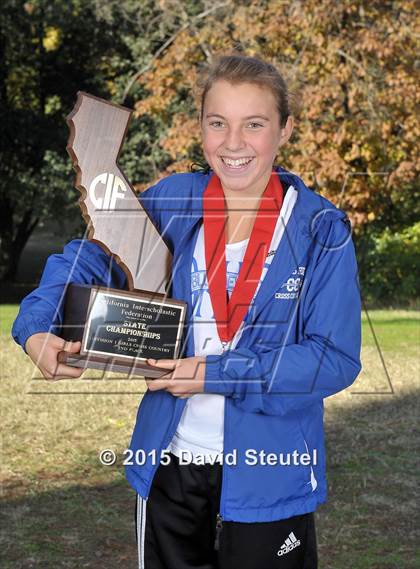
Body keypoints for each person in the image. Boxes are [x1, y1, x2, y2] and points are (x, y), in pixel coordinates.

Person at [12, 54, 362, 569]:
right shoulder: (174, 199)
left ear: (285, 129)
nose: (234, 143)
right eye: (218, 123)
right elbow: (86, 258)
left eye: (255, 124)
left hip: (269, 471)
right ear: (201, 127)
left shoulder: (321, 228)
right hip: (170, 466)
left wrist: (215, 374)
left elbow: (333, 359)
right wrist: (37, 328)